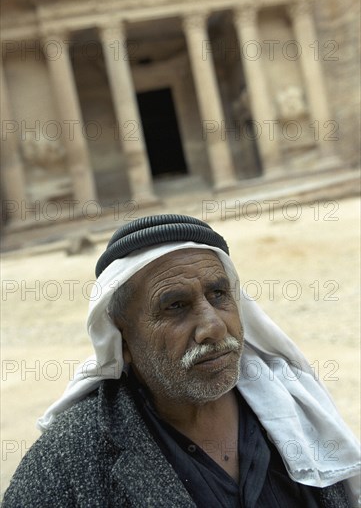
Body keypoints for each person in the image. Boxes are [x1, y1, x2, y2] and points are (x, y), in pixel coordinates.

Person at [3, 214, 360, 507]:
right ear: (123, 339)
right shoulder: (68, 462)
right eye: (175, 306)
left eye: (219, 295)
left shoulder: (294, 409)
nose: (213, 327)